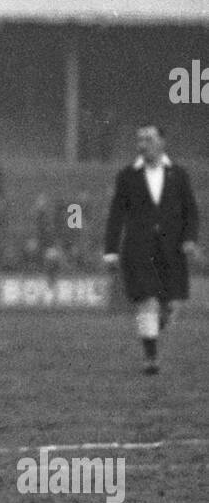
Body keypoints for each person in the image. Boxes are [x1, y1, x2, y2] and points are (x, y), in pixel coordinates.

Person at [103, 125, 199, 374]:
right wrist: (110, 250)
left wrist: (189, 239)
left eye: (149, 138)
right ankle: (151, 358)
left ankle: (158, 323)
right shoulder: (127, 175)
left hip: (171, 250)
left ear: (162, 142)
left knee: (169, 306)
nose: (143, 143)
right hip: (138, 250)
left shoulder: (178, 174)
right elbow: (116, 213)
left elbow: (191, 211)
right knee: (147, 301)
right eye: (140, 139)